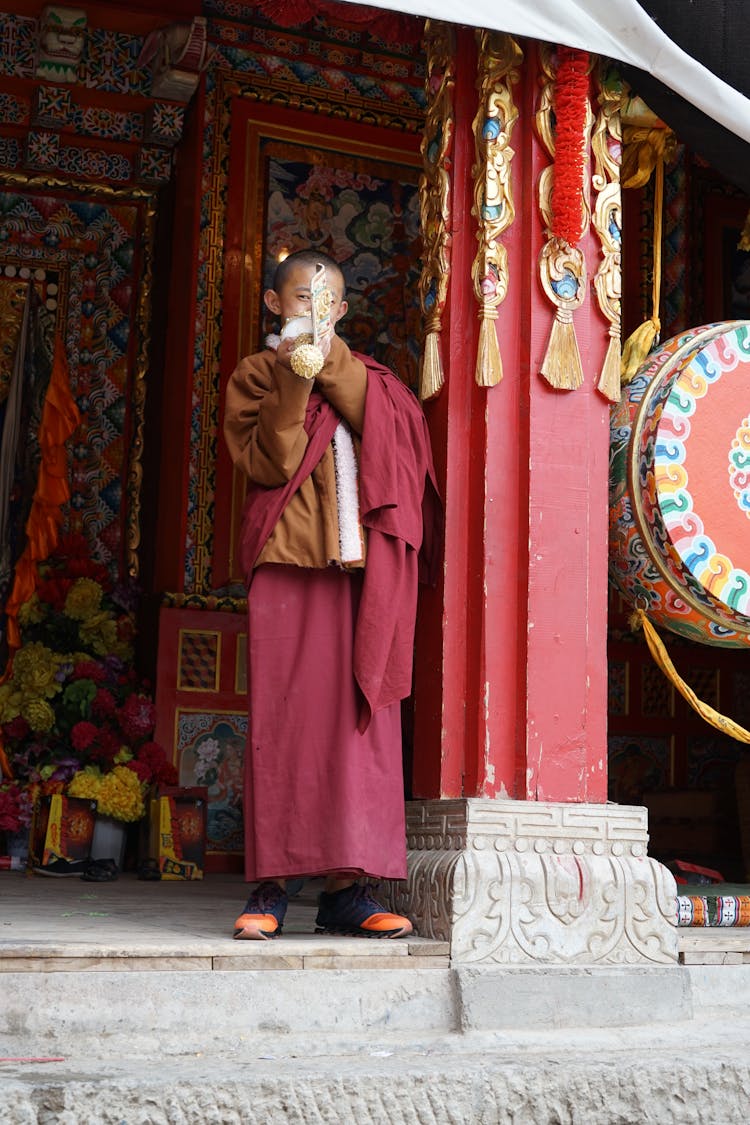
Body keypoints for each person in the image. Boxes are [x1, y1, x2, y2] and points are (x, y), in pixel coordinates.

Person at [223, 249, 441, 940]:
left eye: (326, 301)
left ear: (342, 311)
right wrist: (294, 374)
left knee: (361, 725)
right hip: (288, 567)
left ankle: (350, 890)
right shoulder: (254, 374)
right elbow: (271, 459)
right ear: (272, 303)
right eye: (299, 299)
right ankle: (273, 885)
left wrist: (327, 360)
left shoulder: (371, 380)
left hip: (358, 573)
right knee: (287, 725)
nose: (312, 311)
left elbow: (396, 438)